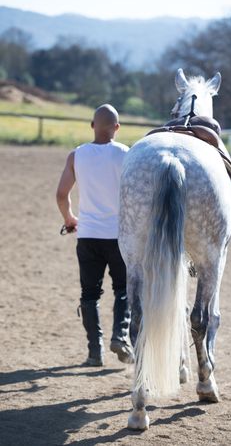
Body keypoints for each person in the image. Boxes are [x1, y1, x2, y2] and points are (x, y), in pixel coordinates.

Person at [56, 104, 134, 366]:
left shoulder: (77, 155)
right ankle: (120, 336)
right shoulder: (127, 155)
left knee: (89, 294)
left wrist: (69, 220)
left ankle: (94, 352)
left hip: (87, 236)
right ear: (117, 128)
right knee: (123, 290)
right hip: (119, 237)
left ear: (92, 125)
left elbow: (61, 194)